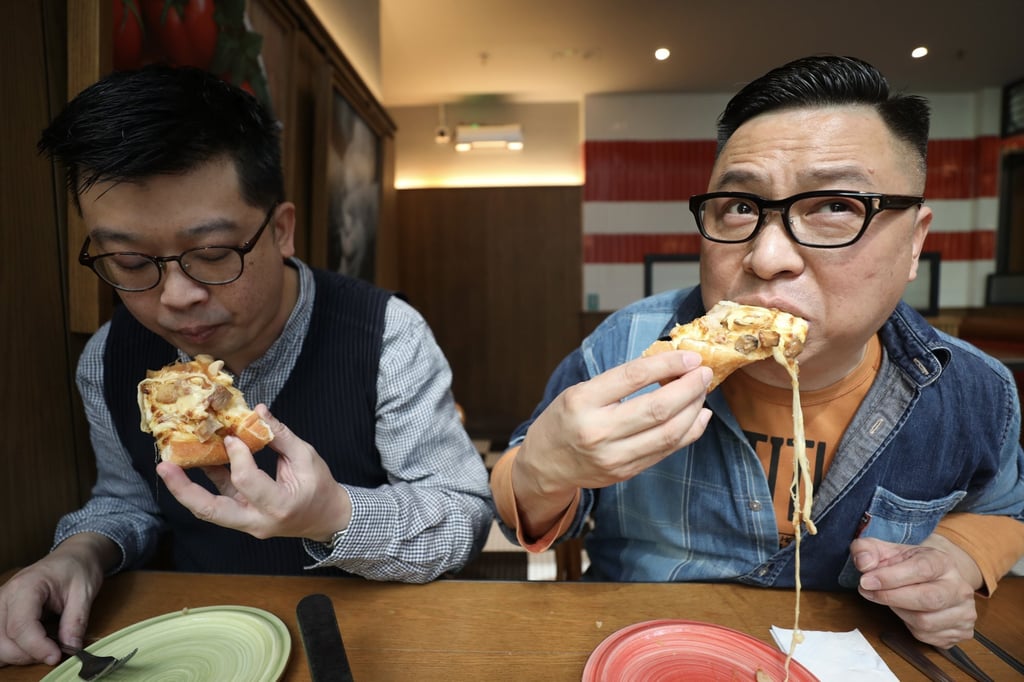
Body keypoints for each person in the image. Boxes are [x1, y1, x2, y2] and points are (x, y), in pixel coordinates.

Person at [491, 55, 1024, 648]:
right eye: (741, 207)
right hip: (643, 649)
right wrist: (540, 474)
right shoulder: (627, 345)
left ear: (914, 241)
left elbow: (1005, 509)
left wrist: (957, 558)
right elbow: (521, 505)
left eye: (834, 207)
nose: (768, 257)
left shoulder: (975, 389)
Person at [0, 65, 492, 667]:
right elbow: (128, 502)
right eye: (129, 263)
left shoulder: (385, 335)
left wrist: (335, 515)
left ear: (281, 230)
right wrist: (78, 553)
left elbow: (463, 515)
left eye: (211, 254)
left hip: (363, 641)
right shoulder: (108, 358)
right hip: (192, 644)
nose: (176, 296)